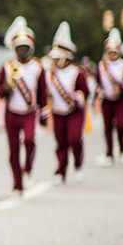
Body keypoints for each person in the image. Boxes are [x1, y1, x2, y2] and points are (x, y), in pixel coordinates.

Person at [0, 17, 46, 196]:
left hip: (29, 112)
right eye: (19, 48)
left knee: (30, 140)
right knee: (13, 149)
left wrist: (44, 115)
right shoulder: (7, 66)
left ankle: (28, 168)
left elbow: (42, 94)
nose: (22, 51)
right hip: (11, 112)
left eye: (25, 47)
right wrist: (5, 88)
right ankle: (17, 183)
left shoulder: (38, 67)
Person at [43, 22, 88, 183]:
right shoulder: (50, 74)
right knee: (61, 142)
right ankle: (61, 171)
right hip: (57, 111)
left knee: (74, 139)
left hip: (74, 111)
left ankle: (78, 165)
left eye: (57, 58)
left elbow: (85, 92)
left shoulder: (77, 73)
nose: (54, 61)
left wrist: (74, 100)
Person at [95, 28, 123, 166]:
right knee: (107, 126)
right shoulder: (101, 65)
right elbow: (97, 82)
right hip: (106, 100)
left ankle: (122, 149)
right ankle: (109, 153)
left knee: (121, 125)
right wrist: (100, 91)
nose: (112, 54)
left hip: (120, 100)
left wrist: (120, 88)